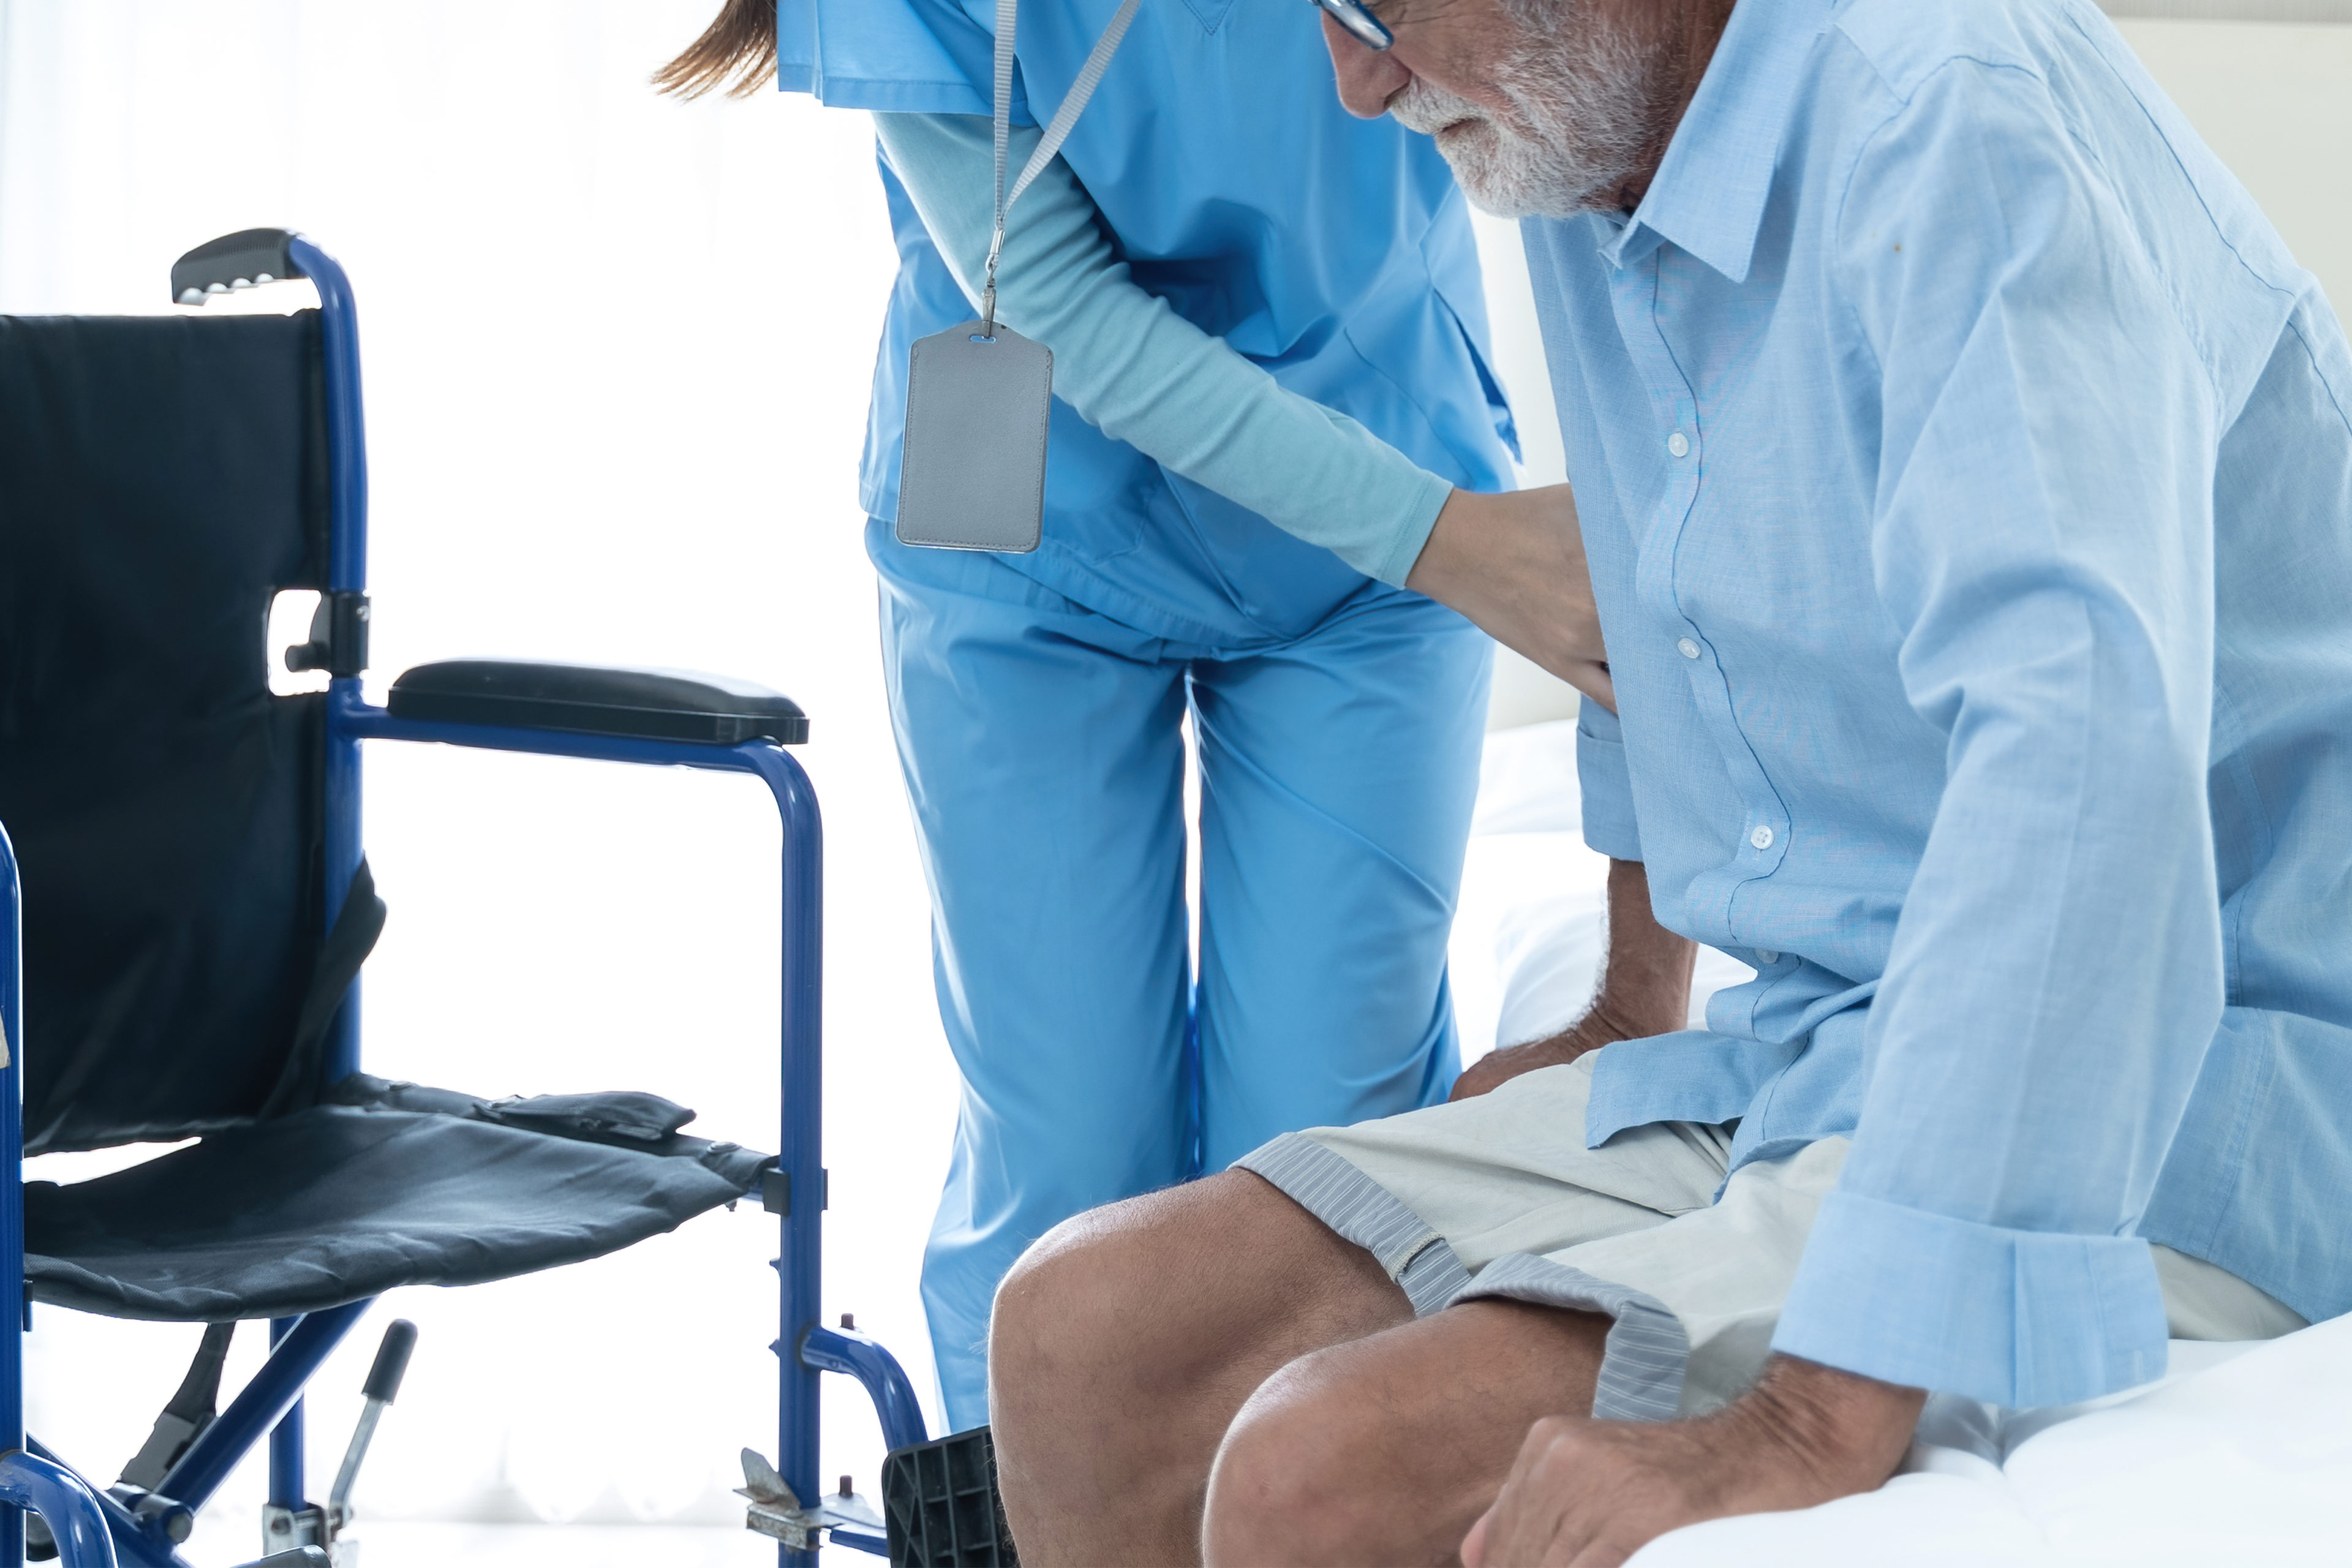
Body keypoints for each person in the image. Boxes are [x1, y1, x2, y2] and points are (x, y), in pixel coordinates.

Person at [985, 0, 2352, 1562]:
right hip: (1825, 1034)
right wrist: (1638, 1002)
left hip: (2191, 1075)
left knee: (1321, 1471)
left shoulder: (1946, 108)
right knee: (1081, 1332)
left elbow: (2081, 773)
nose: (1356, 84)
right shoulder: (1598, 138)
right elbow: (1657, 581)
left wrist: (1806, 1421)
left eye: (1375, 10)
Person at [655, 0, 1608, 1429]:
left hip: (1378, 514)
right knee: (1066, 1153)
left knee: (1326, 1156)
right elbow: (1074, 312)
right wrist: (1450, 543)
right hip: (1037, 528)